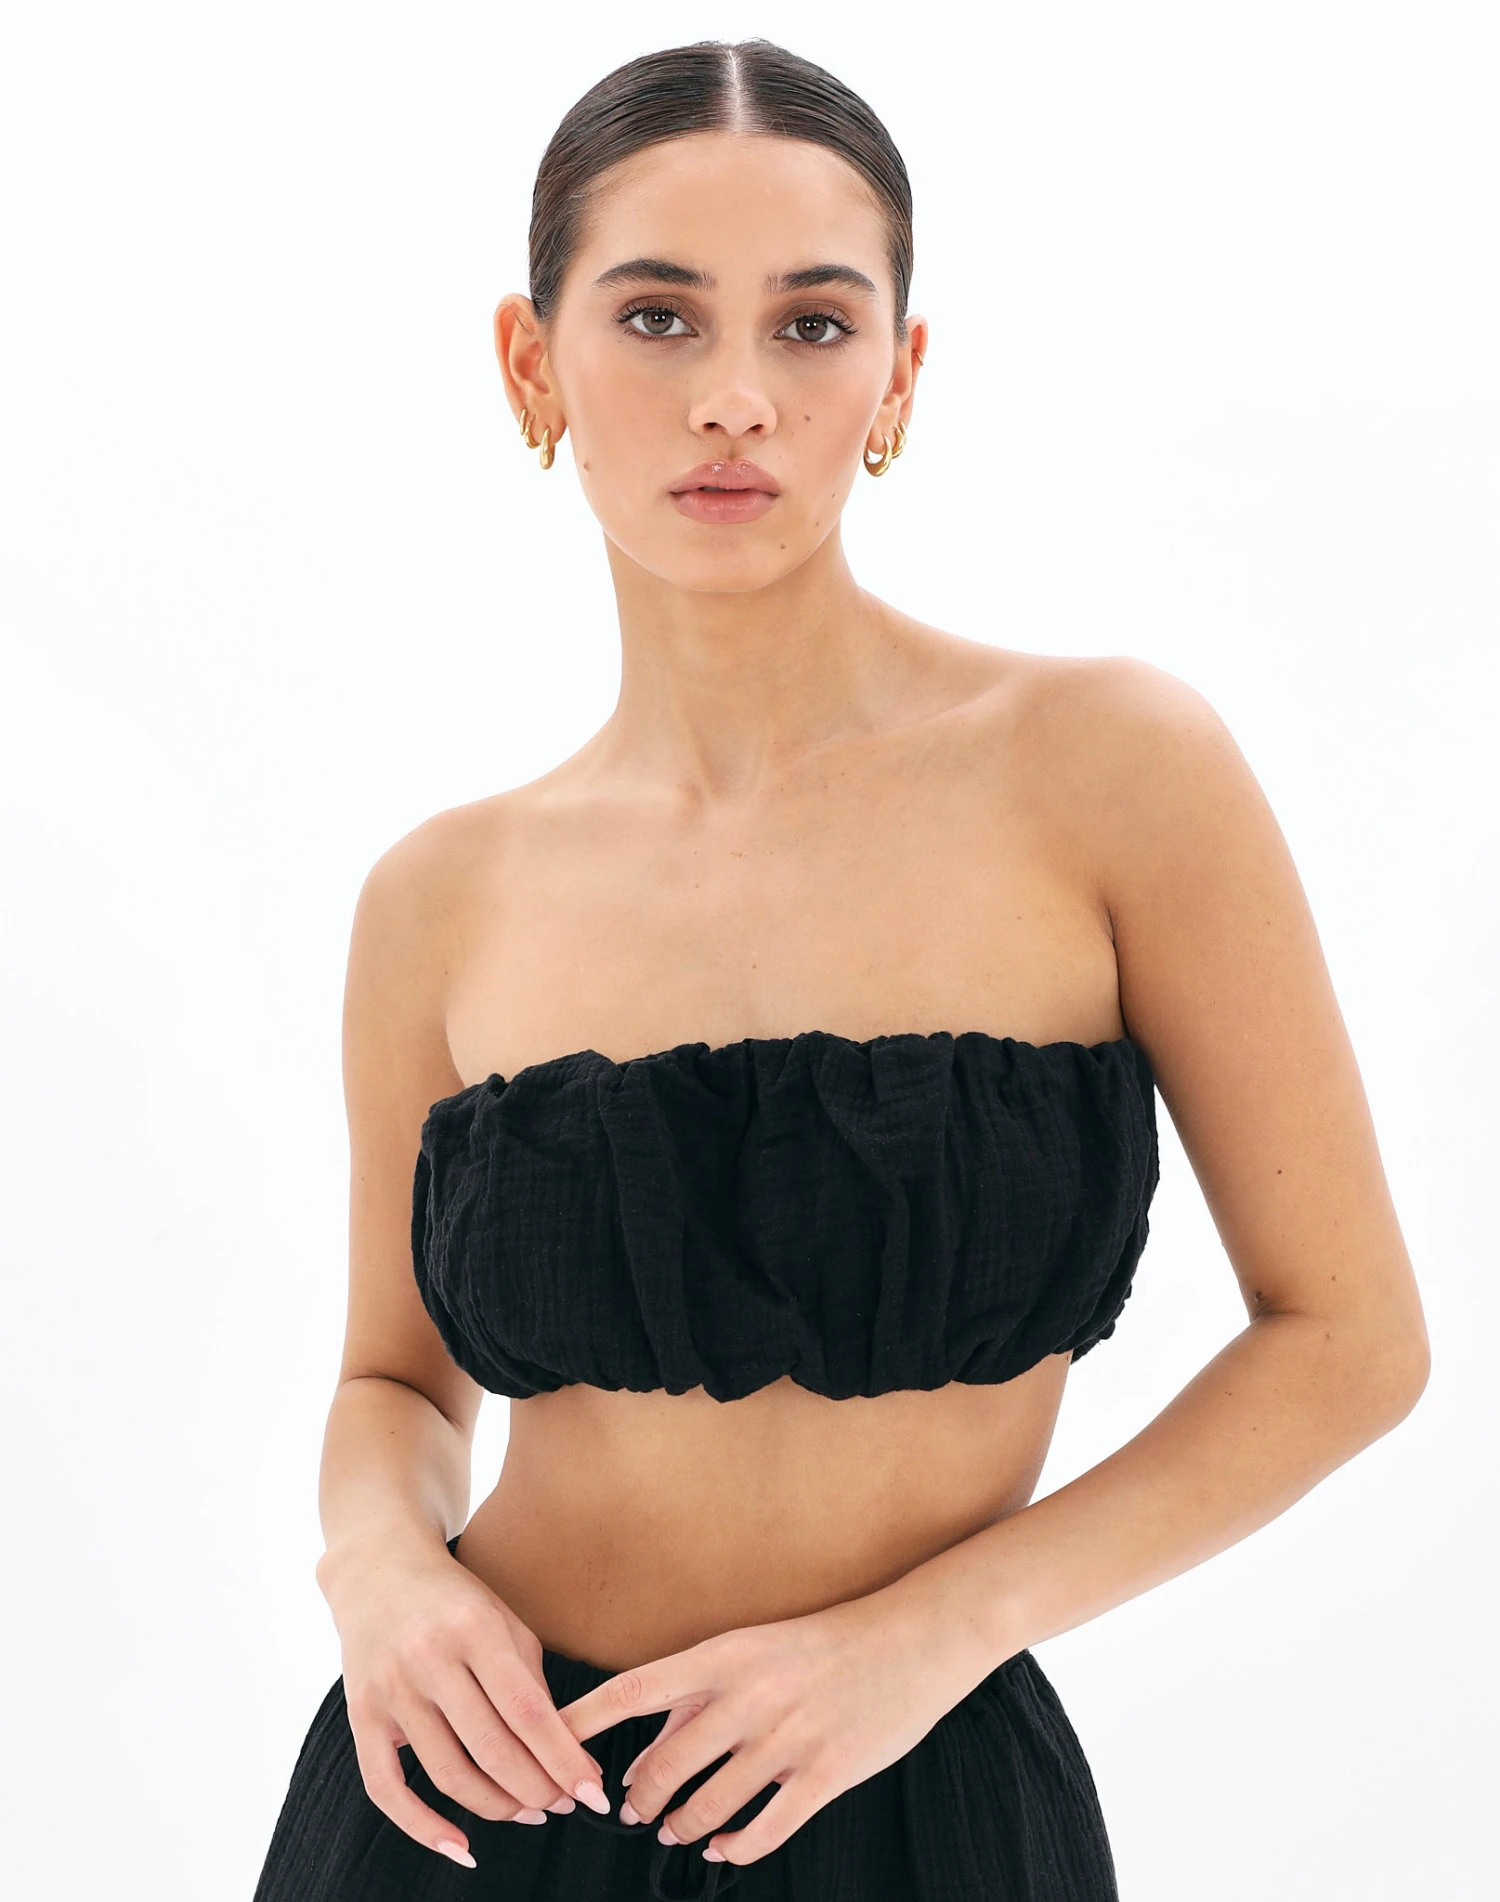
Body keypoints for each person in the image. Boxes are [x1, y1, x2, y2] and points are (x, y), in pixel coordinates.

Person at [253, 36, 1430, 1902]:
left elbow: (1352, 1339)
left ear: (900, 374)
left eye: (812, 325)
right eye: (657, 317)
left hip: (917, 1798)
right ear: (531, 364)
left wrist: (933, 1633)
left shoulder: (1113, 770)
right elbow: (394, 1383)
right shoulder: (441, 895)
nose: (735, 398)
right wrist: (381, 1571)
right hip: (467, 1810)